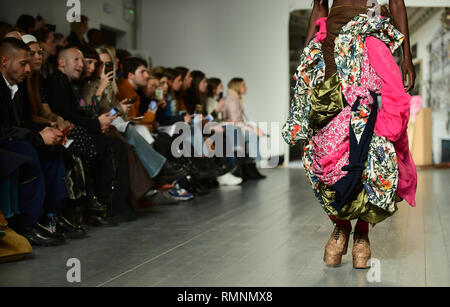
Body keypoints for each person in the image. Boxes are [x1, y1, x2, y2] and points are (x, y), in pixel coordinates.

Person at [282, 0, 417, 269]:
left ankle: (362, 234)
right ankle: (341, 225)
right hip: (334, 45)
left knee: (375, 141)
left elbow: (396, 2)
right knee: (328, 142)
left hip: (372, 41)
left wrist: (407, 57)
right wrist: (305, 62)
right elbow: (319, 5)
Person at [46, 46, 133, 225]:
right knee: (113, 146)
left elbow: (77, 115)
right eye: (77, 60)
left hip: (79, 131)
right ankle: (107, 207)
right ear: (62, 62)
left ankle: (106, 206)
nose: (83, 65)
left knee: (116, 144)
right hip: (67, 134)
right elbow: (70, 116)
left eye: (85, 61)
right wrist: (97, 123)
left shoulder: (66, 82)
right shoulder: (60, 82)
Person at [0, 37, 67, 246]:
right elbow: (2, 130)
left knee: (54, 150)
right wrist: (38, 137)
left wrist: (44, 131)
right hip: (6, 142)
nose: (28, 69)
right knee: (26, 150)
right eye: (23, 63)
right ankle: (25, 223)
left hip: (12, 140)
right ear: (4, 61)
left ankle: (48, 215)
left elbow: (20, 124)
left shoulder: (14, 88)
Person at [223, 78, 266, 181]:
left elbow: (241, 121)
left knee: (252, 134)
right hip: (231, 129)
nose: (246, 87)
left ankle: (251, 166)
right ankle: (251, 165)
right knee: (252, 136)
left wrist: (252, 128)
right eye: (243, 85)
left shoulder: (236, 99)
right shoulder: (232, 100)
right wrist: (253, 130)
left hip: (236, 129)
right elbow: (235, 122)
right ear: (237, 86)